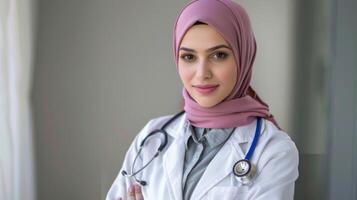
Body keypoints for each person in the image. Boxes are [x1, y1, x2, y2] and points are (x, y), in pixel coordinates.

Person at [106, 0, 299, 199]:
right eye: (189, 57)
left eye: (218, 55)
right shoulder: (152, 137)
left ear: (243, 57)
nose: (201, 74)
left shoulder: (273, 150)